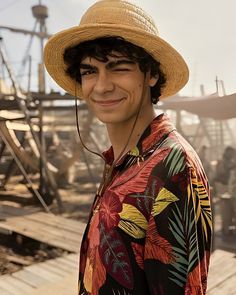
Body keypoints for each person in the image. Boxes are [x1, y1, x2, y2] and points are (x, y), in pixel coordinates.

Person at [44, 1, 212, 294]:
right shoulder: (122, 161)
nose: (102, 86)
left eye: (119, 68)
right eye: (89, 72)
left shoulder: (172, 168)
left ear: (151, 74)